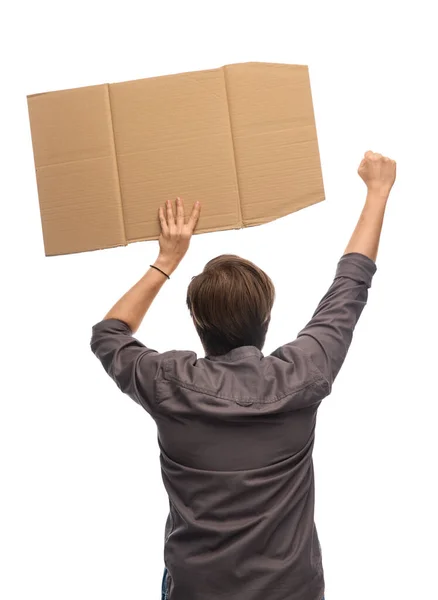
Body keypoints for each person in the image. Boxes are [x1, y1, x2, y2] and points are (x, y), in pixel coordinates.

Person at [91, 151, 396, 600]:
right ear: (268, 315)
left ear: (196, 320)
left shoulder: (167, 382)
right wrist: (378, 191)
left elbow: (109, 334)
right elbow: (351, 284)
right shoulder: (304, 372)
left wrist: (167, 259)